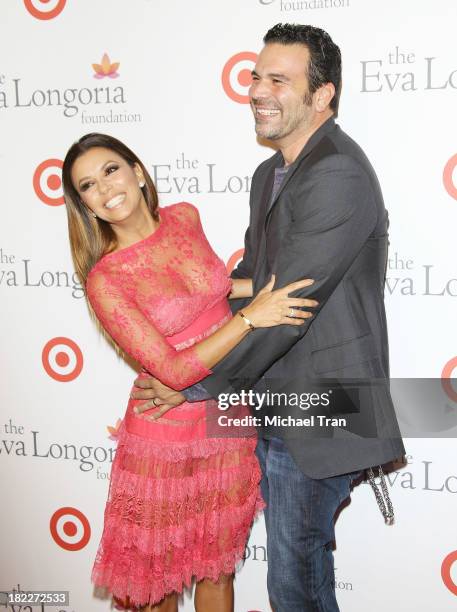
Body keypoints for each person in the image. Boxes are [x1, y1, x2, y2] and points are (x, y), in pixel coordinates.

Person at [132, 24, 406, 612]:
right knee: (285, 578)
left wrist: (194, 384)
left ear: (322, 95)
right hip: (274, 400)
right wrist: (180, 323)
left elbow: (286, 311)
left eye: (279, 79)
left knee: (294, 586)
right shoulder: (270, 174)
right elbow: (253, 292)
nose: (258, 89)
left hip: (321, 410)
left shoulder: (337, 171)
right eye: (257, 75)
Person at [61, 132, 317, 612]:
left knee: (217, 569)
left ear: (138, 172)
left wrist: (269, 293)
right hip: (166, 441)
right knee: (160, 586)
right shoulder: (107, 279)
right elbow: (174, 372)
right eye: (88, 186)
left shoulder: (185, 217)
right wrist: (250, 317)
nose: (105, 188)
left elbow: (215, 290)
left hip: (227, 422)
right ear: (86, 206)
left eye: (111, 170)